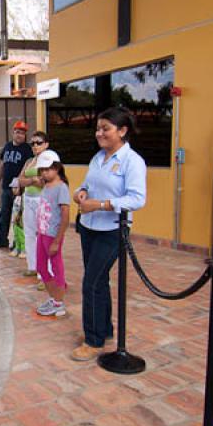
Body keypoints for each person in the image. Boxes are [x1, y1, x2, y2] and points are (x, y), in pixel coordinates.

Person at [72, 107, 146, 362]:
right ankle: (104, 330)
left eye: (106, 129)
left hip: (112, 230)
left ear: (122, 131)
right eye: (98, 128)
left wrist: (101, 204)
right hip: (89, 227)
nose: (99, 133)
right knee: (98, 281)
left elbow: (136, 199)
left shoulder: (132, 161)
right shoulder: (98, 157)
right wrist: (81, 193)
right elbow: (88, 184)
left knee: (91, 283)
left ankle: (93, 341)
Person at [16, 131, 58, 280]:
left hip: (42, 200)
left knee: (44, 236)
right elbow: (20, 179)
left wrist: (31, 180)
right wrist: (33, 180)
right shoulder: (29, 161)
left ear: (46, 144)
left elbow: (44, 181)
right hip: (28, 199)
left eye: (38, 142)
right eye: (32, 143)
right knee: (29, 234)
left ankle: (45, 273)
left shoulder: (49, 159)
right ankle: (32, 266)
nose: (35, 146)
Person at [34, 152, 71, 317]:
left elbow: (65, 215)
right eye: (41, 170)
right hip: (42, 233)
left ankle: (59, 302)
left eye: (47, 169)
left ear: (56, 168)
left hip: (52, 235)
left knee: (57, 268)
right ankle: (54, 297)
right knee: (41, 267)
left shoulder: (61, 188)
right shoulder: (46, 186)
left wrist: (57, 240)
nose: (44, 173)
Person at [0, 120, 33, 249]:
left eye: (23, 133)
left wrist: (22, 185)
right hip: (6, 188)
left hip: (19, 189)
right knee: (4, 215)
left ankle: (18, 242)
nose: (20, 135)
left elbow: (29, 168)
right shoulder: (8, 146)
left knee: (18, 216)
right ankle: (2, 240)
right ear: (13, 133)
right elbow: (2, 165)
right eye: (17, 132)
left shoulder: (27, 149)